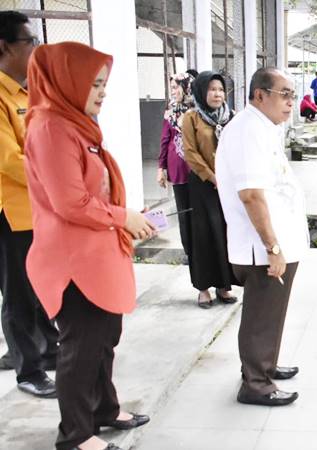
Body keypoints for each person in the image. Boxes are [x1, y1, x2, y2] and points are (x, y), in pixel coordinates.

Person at [25, 41, 154, 450]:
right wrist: (123, 217)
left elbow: (90, 190)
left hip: (96, 255)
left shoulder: (75, 124)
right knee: (80, 347)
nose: (102, 92)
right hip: (72, 261)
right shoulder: (50, 127)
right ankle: (77, 435)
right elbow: (69, 201)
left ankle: (105, 409)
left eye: (103, 83)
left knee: (104, 337)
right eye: (94, 83)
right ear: (68, 81)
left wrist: (126, 213)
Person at [216, 68, 307, 406]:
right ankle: (256, 383)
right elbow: (251, 195)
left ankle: (264, 365)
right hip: (262, 247)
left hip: (273, 243)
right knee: (261, 314)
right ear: (259, 95)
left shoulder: (262, 128)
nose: (290, 102)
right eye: (284, 94)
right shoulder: (245, 131)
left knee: (271, 312)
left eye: (292, 95)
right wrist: (273, 246)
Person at [0, 10, 59, 396]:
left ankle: (49, 348)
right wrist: (55, 177)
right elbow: (9, 160)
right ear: (4, 47)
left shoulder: (27, 91)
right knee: (18, 292)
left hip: (38, 209)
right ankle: (28, 371)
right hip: (12, 213)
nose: (35, 48)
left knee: (40, 284)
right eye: (29, 41)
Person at [182, 71, 238, 308]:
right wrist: (213, 177)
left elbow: (237, 147)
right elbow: (190, 153)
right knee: (203, 235)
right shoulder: (191, 118)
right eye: (212, 89)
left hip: (228, 186)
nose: (217, 94)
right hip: (202, 185)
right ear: (201, 92)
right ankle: (203, 288)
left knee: (225, 234)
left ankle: (223, 286)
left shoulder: (231, 117)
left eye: (220, 89)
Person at [157, 71, 194, 258]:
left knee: (199, 212)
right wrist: (161, 168)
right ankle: (189, 253)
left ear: (186, 87)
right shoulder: (170, 110)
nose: (172, 91)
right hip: (177, 168)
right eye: (171, 87)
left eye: (175, 87)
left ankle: (201, 250)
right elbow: (165, 139)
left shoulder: (197, 109)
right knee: (183, 213)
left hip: (197, 169)